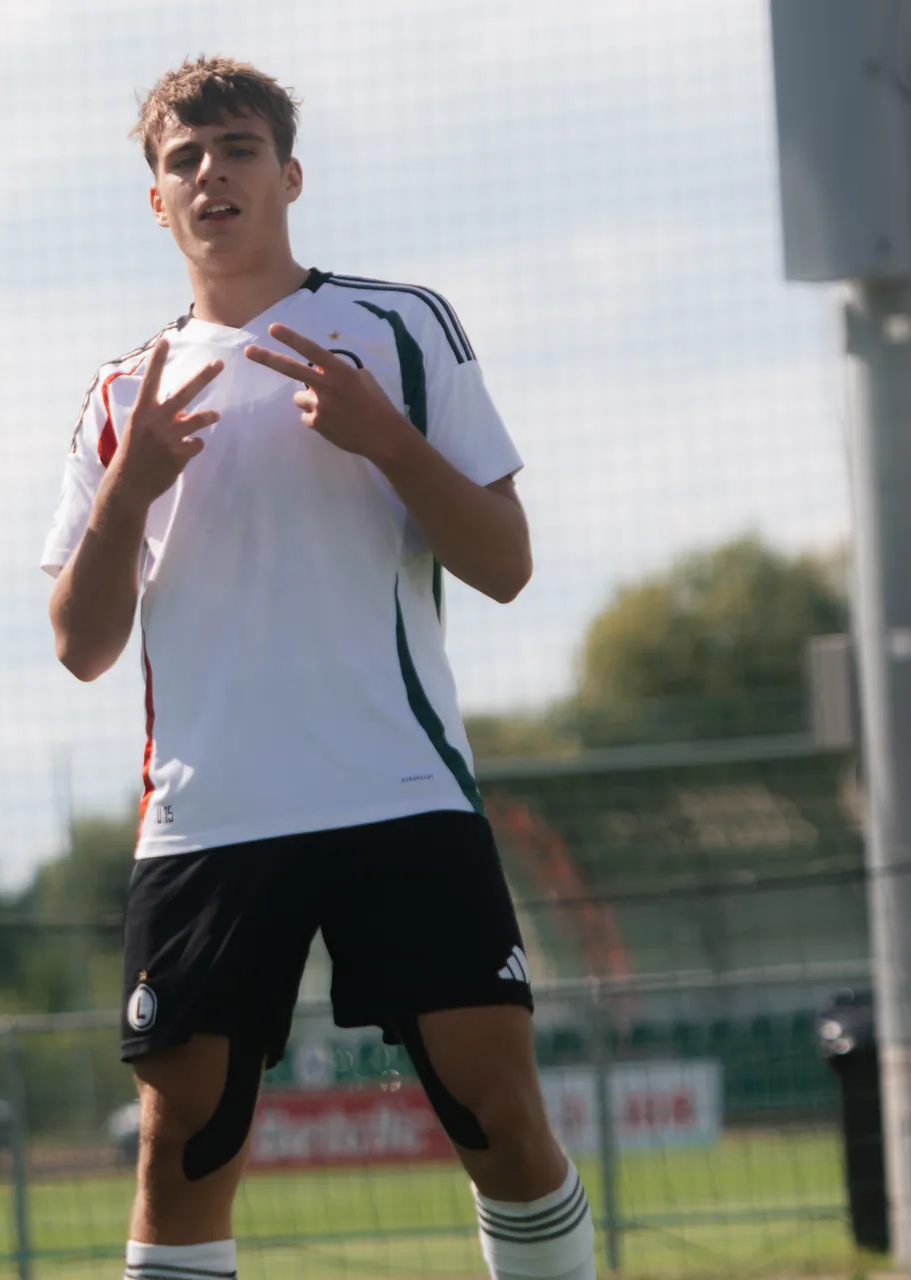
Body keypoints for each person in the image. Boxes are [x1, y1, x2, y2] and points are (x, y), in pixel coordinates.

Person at [41, 59, 592, 1280]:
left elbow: (504, 563)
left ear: (288, 175)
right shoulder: (117, 393)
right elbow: (80, 646)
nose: (211, 174)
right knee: (181, 1143)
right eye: (183, 160)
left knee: (498, 1116)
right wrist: (127, 491)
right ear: (155, 202)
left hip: (397, 789)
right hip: (207, 817)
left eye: (236, 149)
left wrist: (384, 438)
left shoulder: (402, 324)